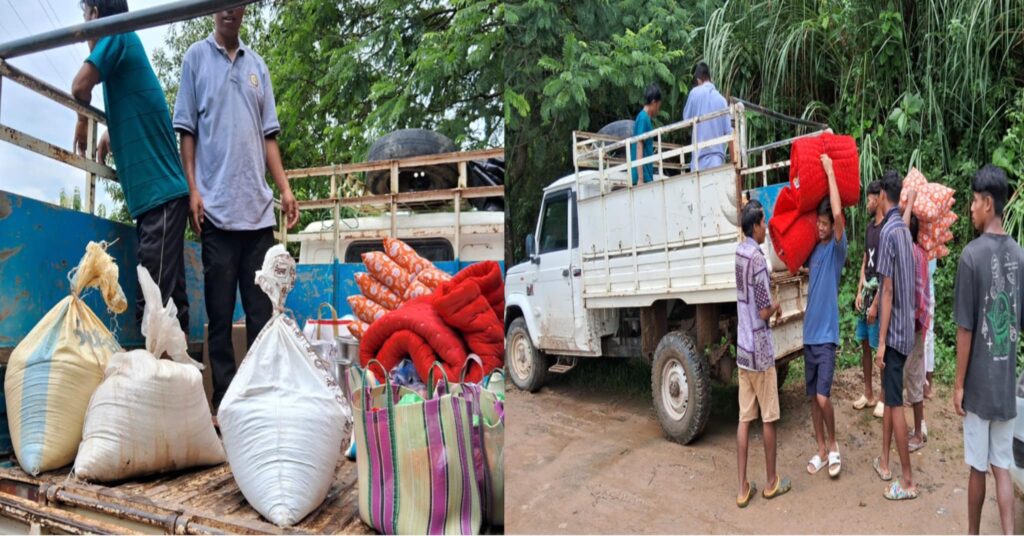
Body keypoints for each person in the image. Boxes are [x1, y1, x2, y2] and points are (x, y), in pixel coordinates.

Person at [172, 6, 300, 417]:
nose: (230, 10)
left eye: (238, 3)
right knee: (221, 318)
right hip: (218, 215)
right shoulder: (195, 59)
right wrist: (193, 189)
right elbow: (186, 132)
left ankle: (264, 400)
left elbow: (269, 139)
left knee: (265, 317)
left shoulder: (257, 66)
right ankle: (224, 405)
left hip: (259, 216)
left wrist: (284, 188)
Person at [72, 0, 190, 332]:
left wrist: (83, 120)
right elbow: (139, 100)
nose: (85, 35)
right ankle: (185, 381)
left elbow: (80, 86)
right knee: (170, 304)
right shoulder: (125, 46)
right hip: (159, 201)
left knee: (153, 309)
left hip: (161, 199)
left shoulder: (117, 32)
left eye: (85, 21)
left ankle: (158, 382)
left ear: (95, 15)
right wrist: (112, 131)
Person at [953, 164, 1023, 534]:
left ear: (988, 203)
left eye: (974, 202)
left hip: (979, 389)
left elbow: (966, 328)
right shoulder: (1020, 255)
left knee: (977, 466)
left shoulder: (971, 256)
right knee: (1002, 464)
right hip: (1005, 387)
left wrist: (959, 385)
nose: (970, 209)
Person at [734, 200, 790, 507]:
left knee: (745, 419)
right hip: (760, 351)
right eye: (763, 223)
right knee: (769, 418)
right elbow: (764, 309)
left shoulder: (739, 252)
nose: (766, 228)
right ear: (754, 225)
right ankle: (771, 483)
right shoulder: (756, 258)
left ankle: (742, 488)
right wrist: (777, 306)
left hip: (743, 349)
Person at [872, 170, 918, 500]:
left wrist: (881, 341)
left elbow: (886, 290)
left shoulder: (888, 232)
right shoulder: (903, 228)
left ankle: (908, 480)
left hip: (895, 334)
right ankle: (885, 463)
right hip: (908, 329)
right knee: (890, 399)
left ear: (884, 197)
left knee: (895, 403)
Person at [802, 154, 846, 479]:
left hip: (827, 337)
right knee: (812, 401)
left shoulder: (835, 250)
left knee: (823, 396)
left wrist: (830, 171)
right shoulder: (814, 250)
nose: (820, 228)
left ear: (833, 227)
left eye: (825, 224)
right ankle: (819, 448)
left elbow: (839, 211)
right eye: (818, 224)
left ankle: (833, 445)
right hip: (808, 336)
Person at [853, 180, 884, 417]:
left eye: (870, 198)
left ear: (880, 198)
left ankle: (883, 397)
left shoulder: (886, 230)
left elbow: (886, 272)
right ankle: (868, 392)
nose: (867, 203)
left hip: (880, 296)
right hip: (866, 293)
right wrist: (859, 290)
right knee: (864, 343)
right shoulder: (870, 228)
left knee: (880, 347)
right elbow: (866, 259)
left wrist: (875, 303)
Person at [905, 212, 929, 453]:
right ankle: (917, 428)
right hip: (918, 324)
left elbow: (917, 296)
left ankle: (918, 433)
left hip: (911, 326)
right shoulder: (922, 252)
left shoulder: (910, 255)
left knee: (912, 377)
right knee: (913, 375)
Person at [682, 62, 732, 172]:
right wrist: (734, 162)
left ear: (698, 79)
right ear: (710, 78)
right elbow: (729, 133)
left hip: (698, 160)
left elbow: (686, 121)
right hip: (717, 160)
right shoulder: (722, 100)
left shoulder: (694, 93)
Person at [631, 84, 661, 185]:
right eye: (658, 106)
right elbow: (639, 146)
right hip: (643, 176)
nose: (658, 110)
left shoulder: (645, 118)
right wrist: (640, 178)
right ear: (653, 103)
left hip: (646, 174)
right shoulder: (643, 118)